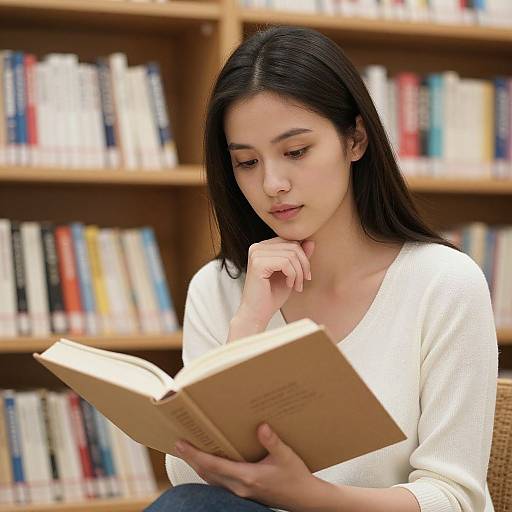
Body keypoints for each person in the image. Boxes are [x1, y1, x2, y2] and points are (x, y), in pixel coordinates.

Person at [144, 25, 498, 512]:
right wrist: (247, 328)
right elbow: (190, 475)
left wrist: (309, 496)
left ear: (355, 139)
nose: (272, 183)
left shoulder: (444, 284)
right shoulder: (219, 288)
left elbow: (454, 499)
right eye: (246, 162)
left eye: (295, 152)